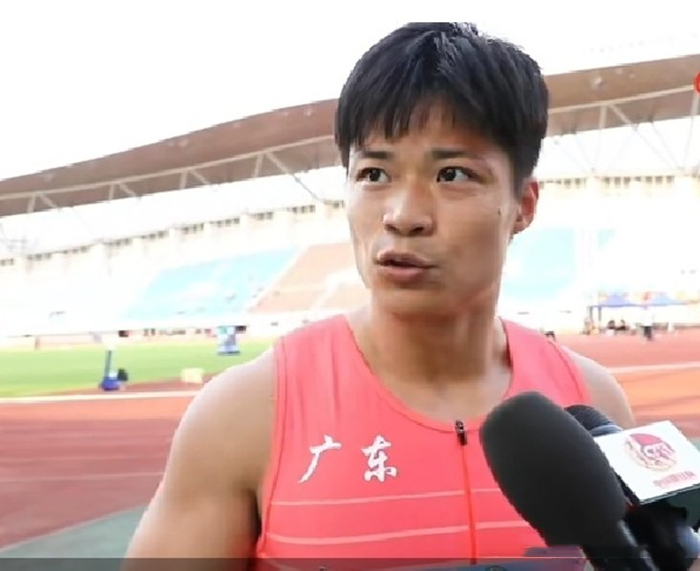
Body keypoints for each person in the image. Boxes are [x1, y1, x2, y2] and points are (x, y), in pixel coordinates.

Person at [124, 22, 639, 569]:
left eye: (453, 174)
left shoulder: (591, 402)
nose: (403, 215)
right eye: (374, 174)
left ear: (523, 206)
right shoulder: (246, 414)